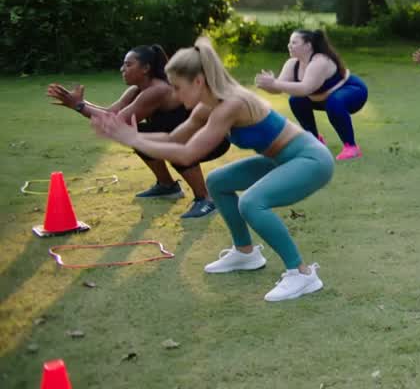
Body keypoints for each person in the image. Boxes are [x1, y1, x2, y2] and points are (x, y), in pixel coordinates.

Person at [93, 37, 334, 302]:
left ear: (198, 82)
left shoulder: (231, 104)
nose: (174, 94)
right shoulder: (206, 107)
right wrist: (131, 136)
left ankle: (302, 274)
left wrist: (135, 140)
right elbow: (175, 139)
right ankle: (245, 253)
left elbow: (188, 154)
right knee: (218, 181)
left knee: (252, 203)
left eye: (177, 87)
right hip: (281, 160)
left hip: (310, 160)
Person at [47, 44, 228, 218]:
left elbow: (117, 122)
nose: (122, 69)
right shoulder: (137, 90)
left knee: (171, 147)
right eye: (123, 64)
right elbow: (111, 112)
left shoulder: (157, 90)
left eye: (128, 64)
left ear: (145, 68)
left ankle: (205, 199)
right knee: (138, 135)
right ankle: (167, 186)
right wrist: (79, 104)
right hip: (184, 138)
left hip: (213, 140)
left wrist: (78, 106)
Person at [256, 29, 369, 161]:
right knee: (296, 100)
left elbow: (305, 88)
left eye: (294, 42)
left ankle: (351, 147)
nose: (289, 46)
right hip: (324, 98)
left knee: (335, 102)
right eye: (289, 42)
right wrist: (267, 85)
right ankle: (314, 140)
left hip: (354, 92)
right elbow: (279, 89)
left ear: (308, 45)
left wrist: (274, 83)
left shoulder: (320, 61)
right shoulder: (292, 64)